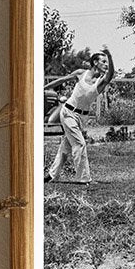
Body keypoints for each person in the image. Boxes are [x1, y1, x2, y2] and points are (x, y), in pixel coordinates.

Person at [46, 47, 115, 185]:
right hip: (68, 113)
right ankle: (83, 179)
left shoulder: (100, 81)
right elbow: (61, 80)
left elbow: (110, 74)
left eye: (107, 62)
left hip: (82, 118)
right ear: (95, 62)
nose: (106, 65)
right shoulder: (80, 74)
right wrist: (43, 88)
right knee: (79, 143)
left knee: (65, 148)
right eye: (103, 61)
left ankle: (51, 175)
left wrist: (110, 57)